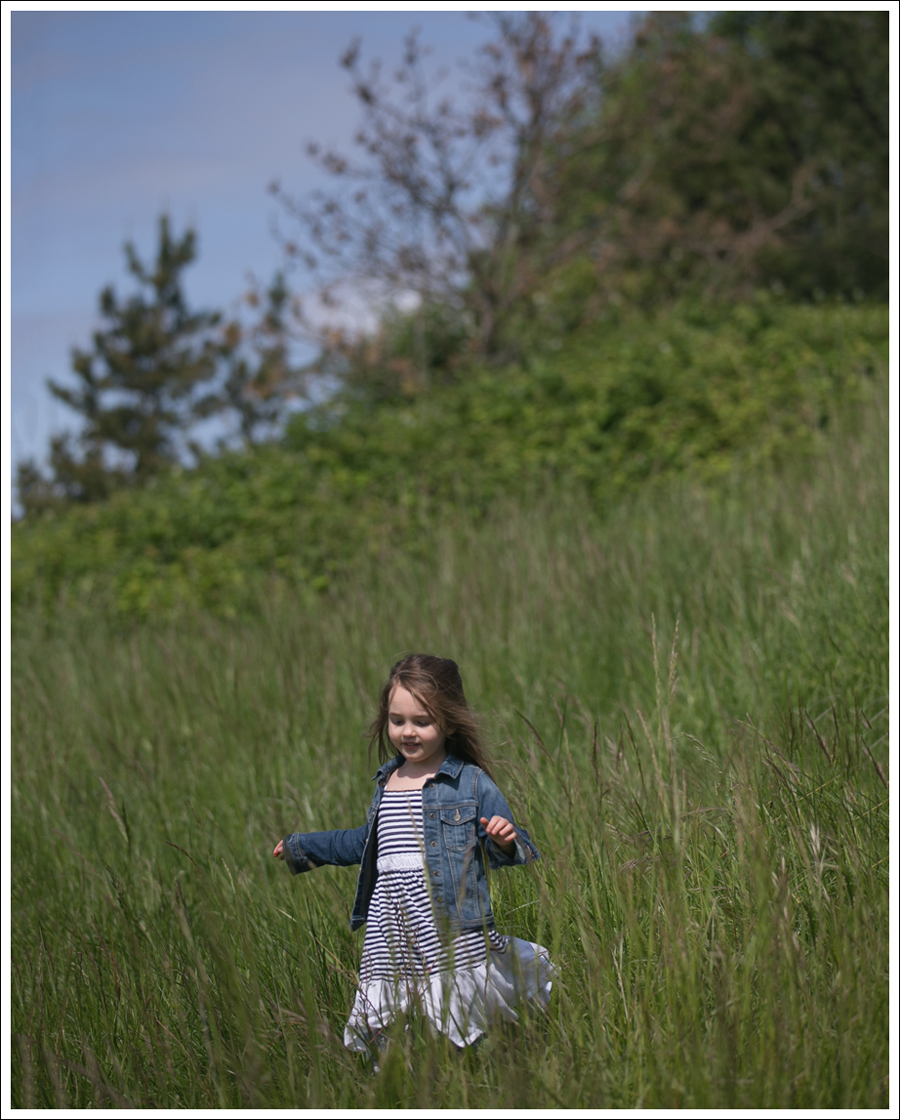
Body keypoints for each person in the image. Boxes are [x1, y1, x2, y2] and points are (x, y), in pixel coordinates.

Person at [273, 653, 554, 1056]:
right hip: (390, 926)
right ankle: (391, 1076)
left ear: (449, 722)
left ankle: (469, 1069)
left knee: (454, 1008)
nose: (407, 732)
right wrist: (303, 847)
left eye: (422, 722)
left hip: (447, 922)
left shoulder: (470, 782)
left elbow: (508, 843)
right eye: (397, 720)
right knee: (386, 1016)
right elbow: (363, 843)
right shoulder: (387, 782)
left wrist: (504, 839)